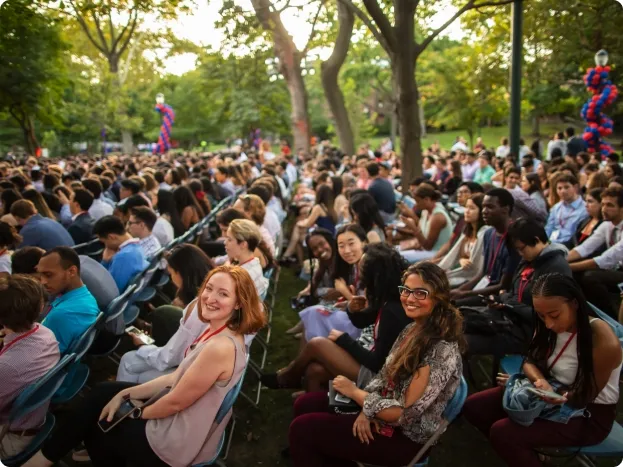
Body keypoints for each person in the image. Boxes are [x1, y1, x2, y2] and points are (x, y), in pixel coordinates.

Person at [23, 265, 266, 467]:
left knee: (97, 428)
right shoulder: (217, 332)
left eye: (223, 294)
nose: (211, 298)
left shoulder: (220, 347)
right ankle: (42, 460)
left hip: (175, 441)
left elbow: (175, 402)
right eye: (209, 289)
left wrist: (135, 413)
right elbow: (174, 378)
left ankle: (42, 459)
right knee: (103, 394)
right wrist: (125, 395)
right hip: (183, 420)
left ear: (238, 303)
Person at [288, 262, 464, 467]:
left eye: (420, 293)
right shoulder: (413, 329)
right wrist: (366, 409)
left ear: (438, 298)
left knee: (302, 431)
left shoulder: (440, 351)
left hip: (404, 438)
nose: (409, 298)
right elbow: (385, 375)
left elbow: (400, 414)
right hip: (381, 409)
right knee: (304, 404)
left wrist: (356, 393)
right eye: (406, 290)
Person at [463, 274, 621, 467]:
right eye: (541, 316)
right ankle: (525, 453)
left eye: (554, 315)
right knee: (474, 407)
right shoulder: (548, 322)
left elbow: (584, 396)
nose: (548, 324)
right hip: (551, 391)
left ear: (575, 303)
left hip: (588, 413)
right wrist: (539, 382)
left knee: (503, 433)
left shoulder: (602, 340)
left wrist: (544, 390)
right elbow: (529, 361)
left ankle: (520, 448)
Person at [262, 244, 410, 392]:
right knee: (314, 371)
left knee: (317, 344)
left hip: (381, 376)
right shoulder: (386, 298)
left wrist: (344, 340)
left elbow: (377, 363)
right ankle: (311, 405)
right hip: (372, 360)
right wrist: (352, 309)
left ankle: (287, 377)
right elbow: (362, 322)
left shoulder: (393, 311)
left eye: (363, 270)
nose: (360, 275)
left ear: (375, 276)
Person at [463, 218, 572, 358]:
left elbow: (544, 316)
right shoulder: (529, 260)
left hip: (529, 334)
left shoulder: (556, 268)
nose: (520, 254)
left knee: (459, 341)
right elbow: (512, 293)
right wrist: (504, 302)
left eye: (522, 249)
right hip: (509, 320)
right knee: (455, 321)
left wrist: (509, 303)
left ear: (537, 240)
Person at [117, 245, 214, 383]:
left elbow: (168, 358)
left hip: (195, 374)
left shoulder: (197, 307)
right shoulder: (211, 293)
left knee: (130, 362)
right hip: (203, 364)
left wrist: (143, 345)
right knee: (132, 361)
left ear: (181, 273)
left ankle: (127, 401)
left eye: (172, 274)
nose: (172, 279)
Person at [0, 275, 60, 460]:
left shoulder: (7, 366)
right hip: (32, 423)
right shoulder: (46, 334)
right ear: (40, 307)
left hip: (9, 439)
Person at [299, 224, 368, 342]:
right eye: (314, 249)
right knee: (315, 312)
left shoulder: (360, 265)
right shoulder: (324, 265)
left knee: (314, 313)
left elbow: (364, 305)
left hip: (361, 323)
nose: (319, 250)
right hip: (348, 309)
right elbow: (316, 288)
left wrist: (343, 292)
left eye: (351, 244)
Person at [453, 188, 520, 301]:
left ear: (505, 209)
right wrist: (460, 291)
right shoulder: (488, 234)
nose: (484, 211)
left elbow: (503, 285)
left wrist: (465, 294)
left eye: (490, 207)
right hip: (484, 286)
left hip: (500, 296)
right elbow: (483, 273)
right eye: (483, 206)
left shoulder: (514, 238)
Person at [567, 187, 623, 318]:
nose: (603, 209)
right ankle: (585, 315)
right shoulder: (607, 225)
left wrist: (568, 266)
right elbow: (584, 248)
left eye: (610, 205)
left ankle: (609, 317)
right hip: (616, 269)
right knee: (576, 274)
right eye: (603, 204)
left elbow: (605, 259)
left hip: (619, 269)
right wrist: (561, 259)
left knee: (590, 277)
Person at [37, 247, 99, 354]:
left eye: (48, 275)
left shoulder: (61, 314)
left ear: (71, 271)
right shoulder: (85, 296)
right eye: (40, 275)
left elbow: (41, 357)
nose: (42, 282)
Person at [438, 193, 488, 287]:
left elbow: (476, 267)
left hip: (470, 278)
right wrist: (461, 260)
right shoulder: (467, 229)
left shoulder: (484, 233)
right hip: (461, 272)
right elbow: (455, 254)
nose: (467, 211)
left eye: (472, 208)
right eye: (466, 207)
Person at [93, 215, 148, 291]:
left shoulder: (123, 256)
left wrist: (105, 262)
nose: (105, 246)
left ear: (112, 237)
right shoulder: (137, 246)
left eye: (104, 242)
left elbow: (111, 290)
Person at [399, 184, 452, 263]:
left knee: (397, 258)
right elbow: (422, 234)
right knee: (393, 251)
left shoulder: (437, 217)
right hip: (424, 249)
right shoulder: (425, 212)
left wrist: (413, 228)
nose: (416, 205)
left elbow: (428, 246)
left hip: (436, 254)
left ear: (427, 199)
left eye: (417, 201)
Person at [224, 219, 269, 298]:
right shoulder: (254, 265)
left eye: (229, 239)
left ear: (243, 244)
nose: (225, 242)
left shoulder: (241, 277)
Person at [545, 174, 588, 247]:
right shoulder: (556, 208)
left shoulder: (585, 209)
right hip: (551, 244)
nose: (563, 191)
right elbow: (548, 229)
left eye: (566, 187)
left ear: (575, 187)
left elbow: (578, 238)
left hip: (570, 246)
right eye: (559, 188)